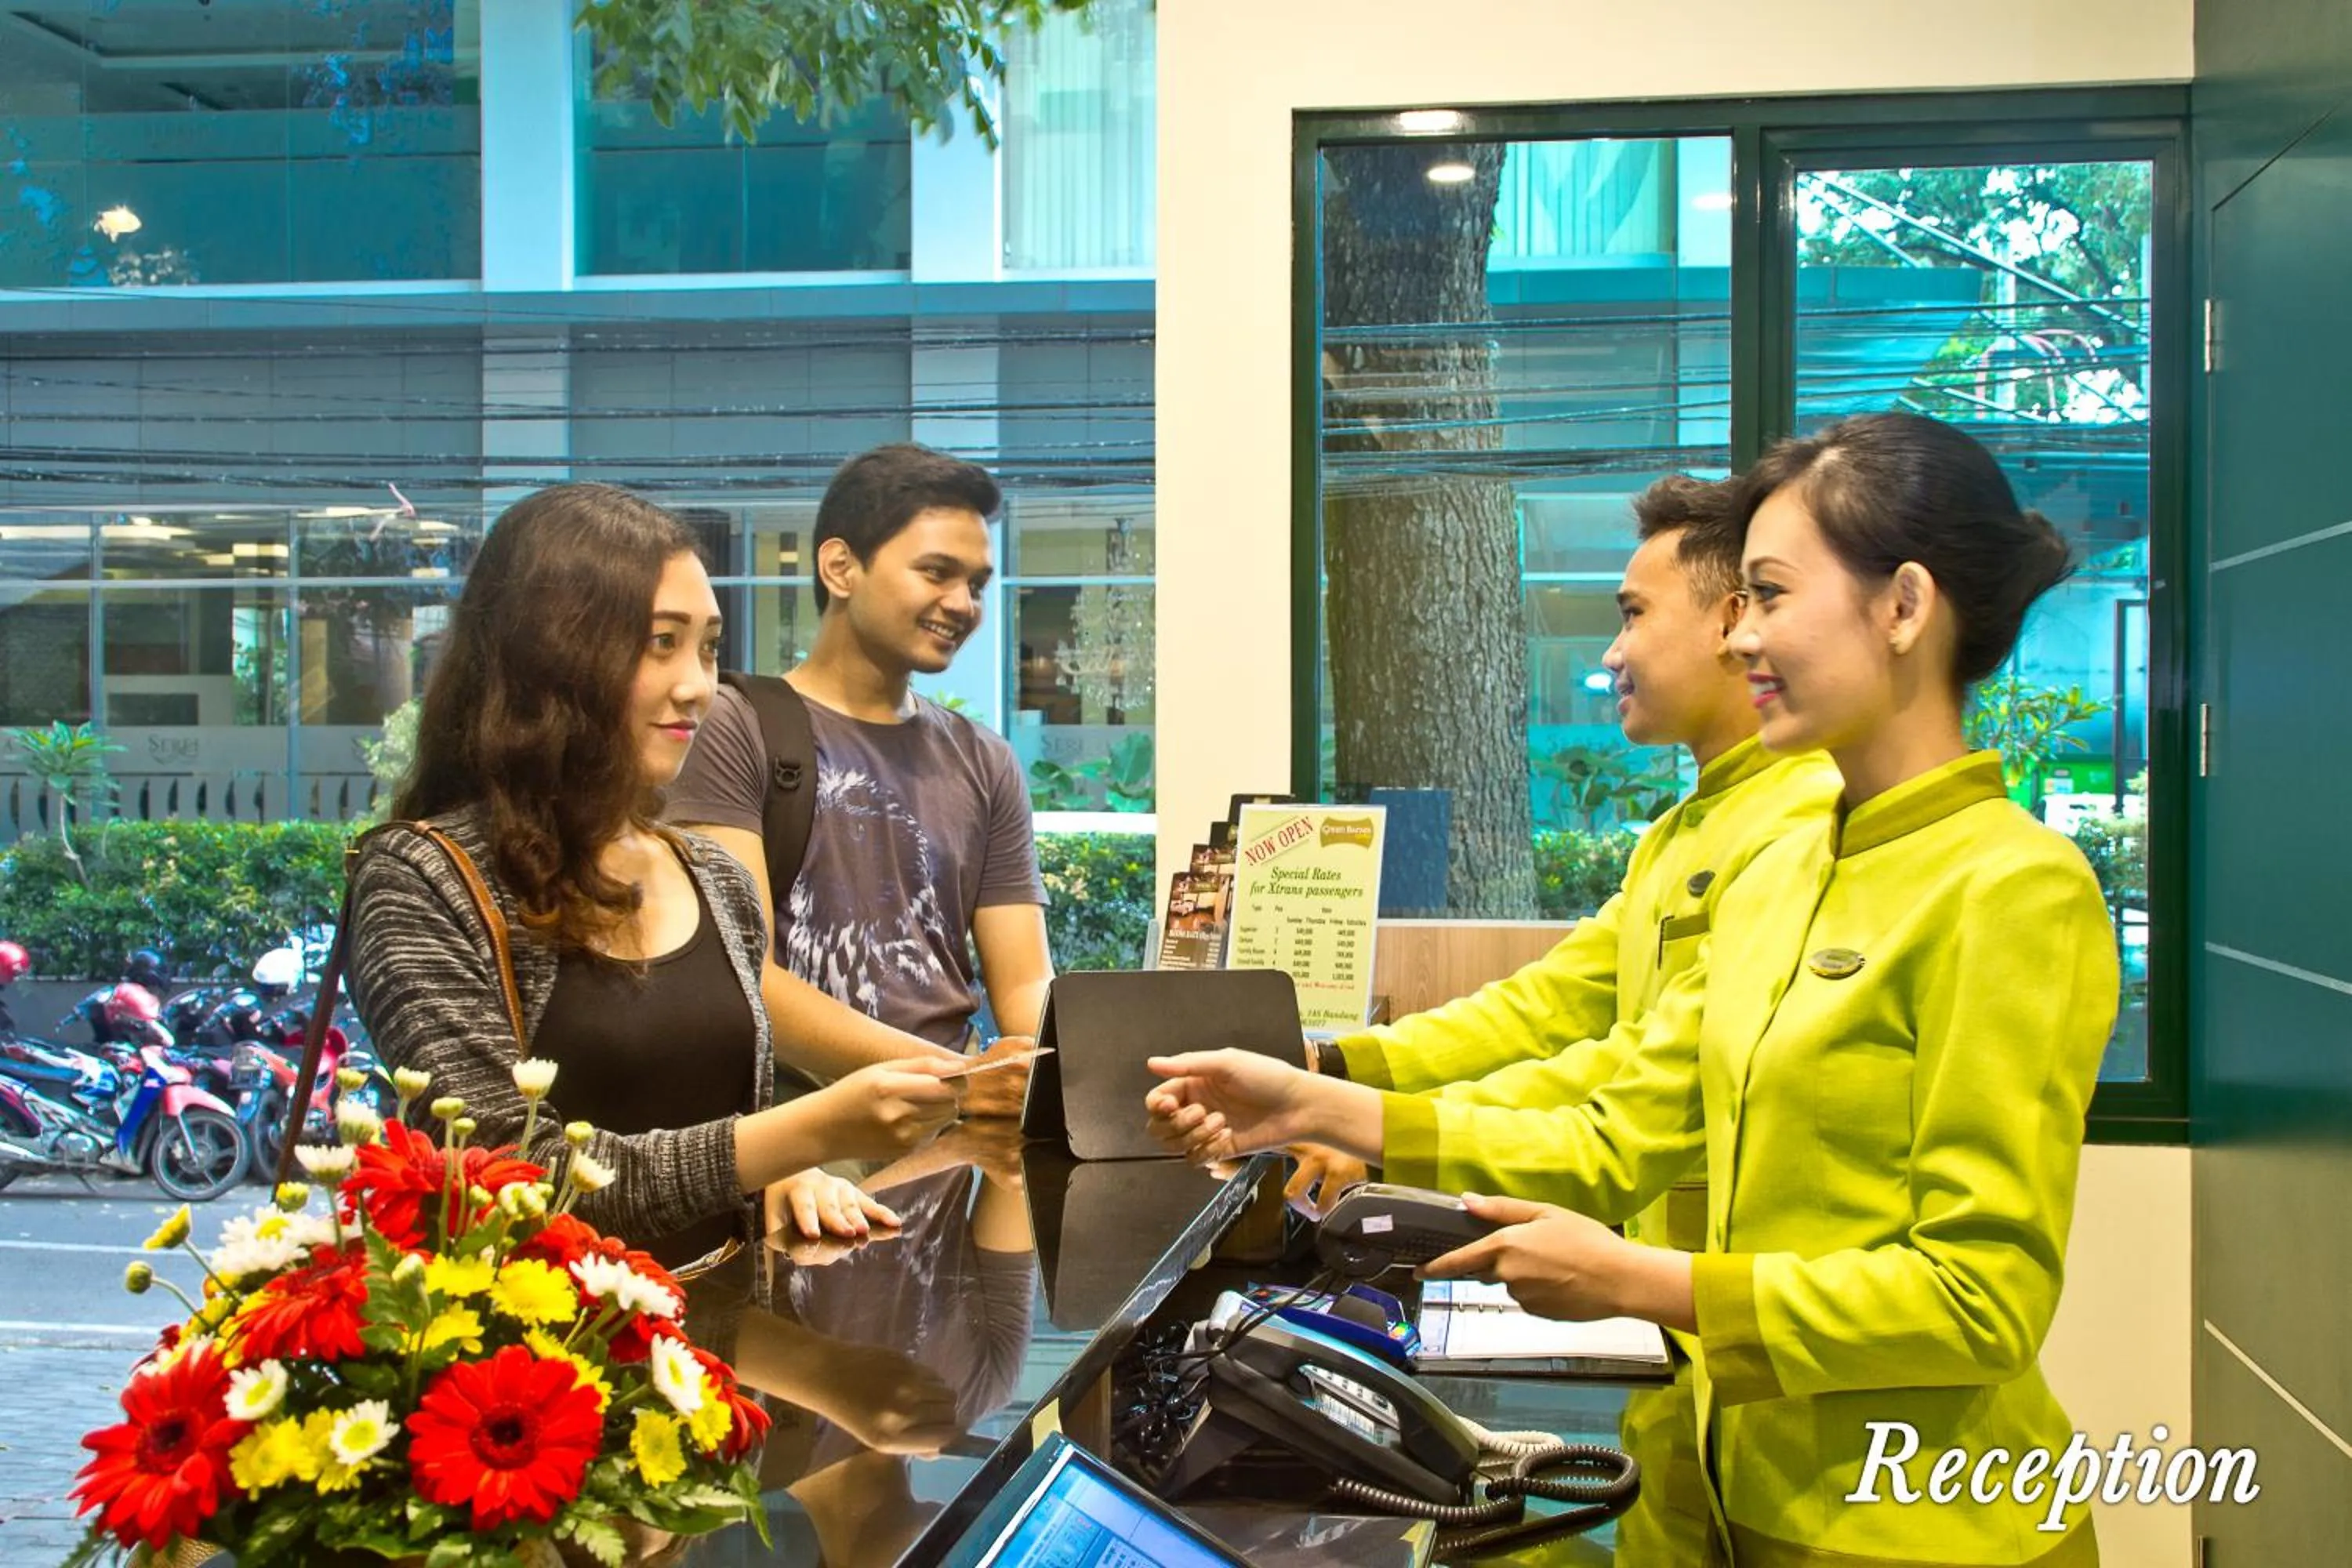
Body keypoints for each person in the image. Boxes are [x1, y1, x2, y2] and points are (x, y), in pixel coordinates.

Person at [1148, 412, 2118, 1565]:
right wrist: (1313, 1101)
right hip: (1732, 1489)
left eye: (1768, 594)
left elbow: (1980, 1298)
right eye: (1739, 601)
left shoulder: (2013, 886)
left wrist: (1643, 1278)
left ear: (1905, 606)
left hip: (1929, 1528)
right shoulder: (1792, 865)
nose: (1742, 635)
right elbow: (1623, 1118)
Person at [349, 483, 964, 1273]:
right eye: (659, 643)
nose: (697, 685)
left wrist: (783, 1174)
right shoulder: (422, 879)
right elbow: (508, 1174)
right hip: (536, 1374)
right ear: (551, 657)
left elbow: (715, 1128)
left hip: (720, 1367)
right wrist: (806, 1132)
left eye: (707, 646)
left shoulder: (712, 877)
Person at [1286, 476, 1842, 1256]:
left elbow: (1623, 1075)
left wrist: (1375, 1125)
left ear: (1733, 620)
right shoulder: (1681, 831)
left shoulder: (1805, 822)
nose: (1613, 652)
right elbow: (1545, 1007)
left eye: (1634, 614)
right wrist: (1340, 1063)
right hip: (1685, 1307)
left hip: (1745, 1303)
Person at [666, 443, 1053, 1120]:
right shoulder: (735, 726)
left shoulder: (984, 760)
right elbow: (738, 972)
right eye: (936, 572)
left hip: (951, 1134)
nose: (962, 604)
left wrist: (1061, 1067)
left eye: (977, 585)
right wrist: (949, 1076)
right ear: (840, 567)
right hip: (797, 1135)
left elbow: (1024, 986)